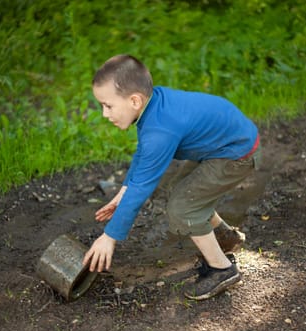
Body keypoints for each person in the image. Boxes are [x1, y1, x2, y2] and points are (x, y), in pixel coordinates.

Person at [82, 54, 260, 300]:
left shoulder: (160, 130)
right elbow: (144, 156)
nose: (104, 113)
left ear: (134, 100)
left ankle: (223, 269)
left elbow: (143, 185)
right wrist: (123, 192)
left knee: (183, 207)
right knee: (184, 190)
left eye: (108, 105)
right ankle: (225, 236)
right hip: (225, 143)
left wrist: (109, 237)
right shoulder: (154, 105)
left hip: (236, 154)